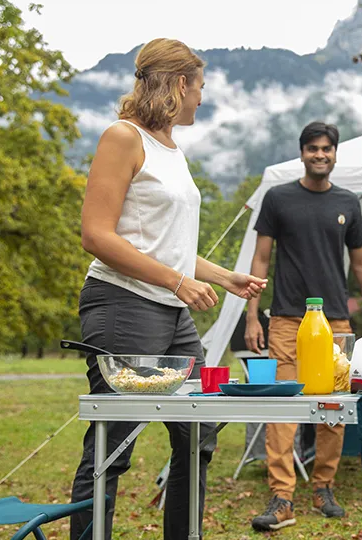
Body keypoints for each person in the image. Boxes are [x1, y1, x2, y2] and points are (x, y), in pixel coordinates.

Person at [70, 38, 266, 540]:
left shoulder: (171, 147)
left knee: (198, 432)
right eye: (200, 86)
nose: (202, 98)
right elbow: (97, 235)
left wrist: (222, 276)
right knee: (113, 447)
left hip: (170, 311)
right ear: (180, 84)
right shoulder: (123, 137)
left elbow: (164, 243)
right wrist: (179, 281)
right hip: (122, 306)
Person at [244, 121, 362, 532]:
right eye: (312, 148)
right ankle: (283, 496)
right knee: (282, 407)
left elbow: (360, 262)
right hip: (286, 317)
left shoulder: (348, 203)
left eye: (326, 148)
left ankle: (323, 487)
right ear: (301, 153)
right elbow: (261, 260)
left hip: (335, 320)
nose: (320, 154)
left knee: (333, 409)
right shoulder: (278, 198)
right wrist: (253, 315)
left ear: (335, 153)